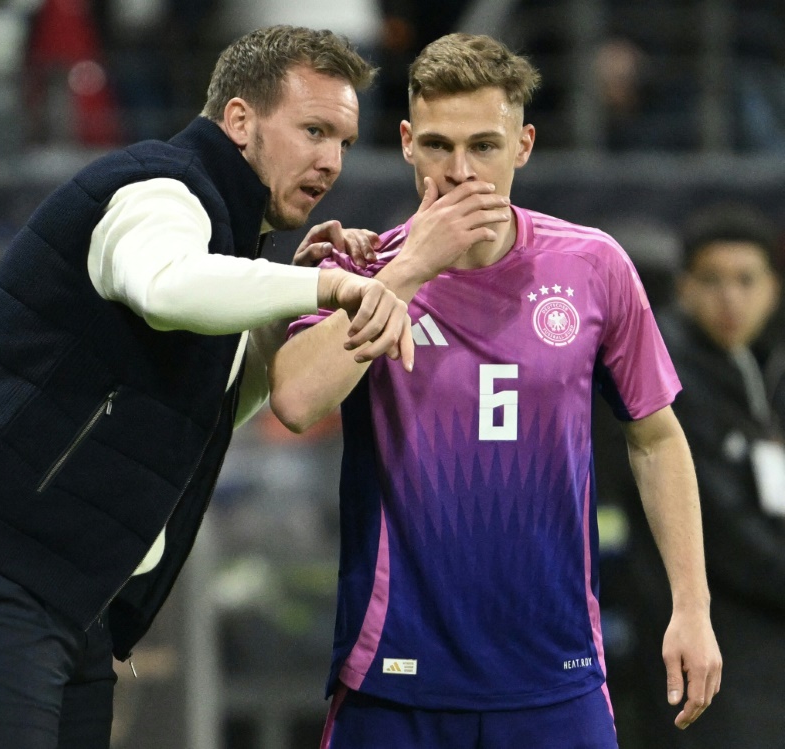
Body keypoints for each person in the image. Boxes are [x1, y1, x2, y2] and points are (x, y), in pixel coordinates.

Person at [0, 25, 414, 749]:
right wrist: (317, 282)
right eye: (313, 130)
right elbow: (162, 286)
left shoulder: (227, 240)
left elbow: (214, 407)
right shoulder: (161, 187)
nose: (330, 161)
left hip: (69, 598)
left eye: (344, 142)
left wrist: (290, 303)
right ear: (238, 121)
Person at [267, 33, 722, 748]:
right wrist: (411, 269)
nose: (460, 172)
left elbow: (656, 435)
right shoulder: (360, 269)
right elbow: (294, 400)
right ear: (408, 143)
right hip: (394, 679)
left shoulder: (594, 266)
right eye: (440, 146)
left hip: (555, 676)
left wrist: (691, 606)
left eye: (484, 145)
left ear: (524, 145)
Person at [623, 203, 784, 749]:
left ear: (774, 288)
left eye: (746, 280)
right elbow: (723, 527)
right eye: (712, 281)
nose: (730, 298)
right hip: (708, 644)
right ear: (684, 287)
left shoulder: (766, 368)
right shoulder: (666, 375)